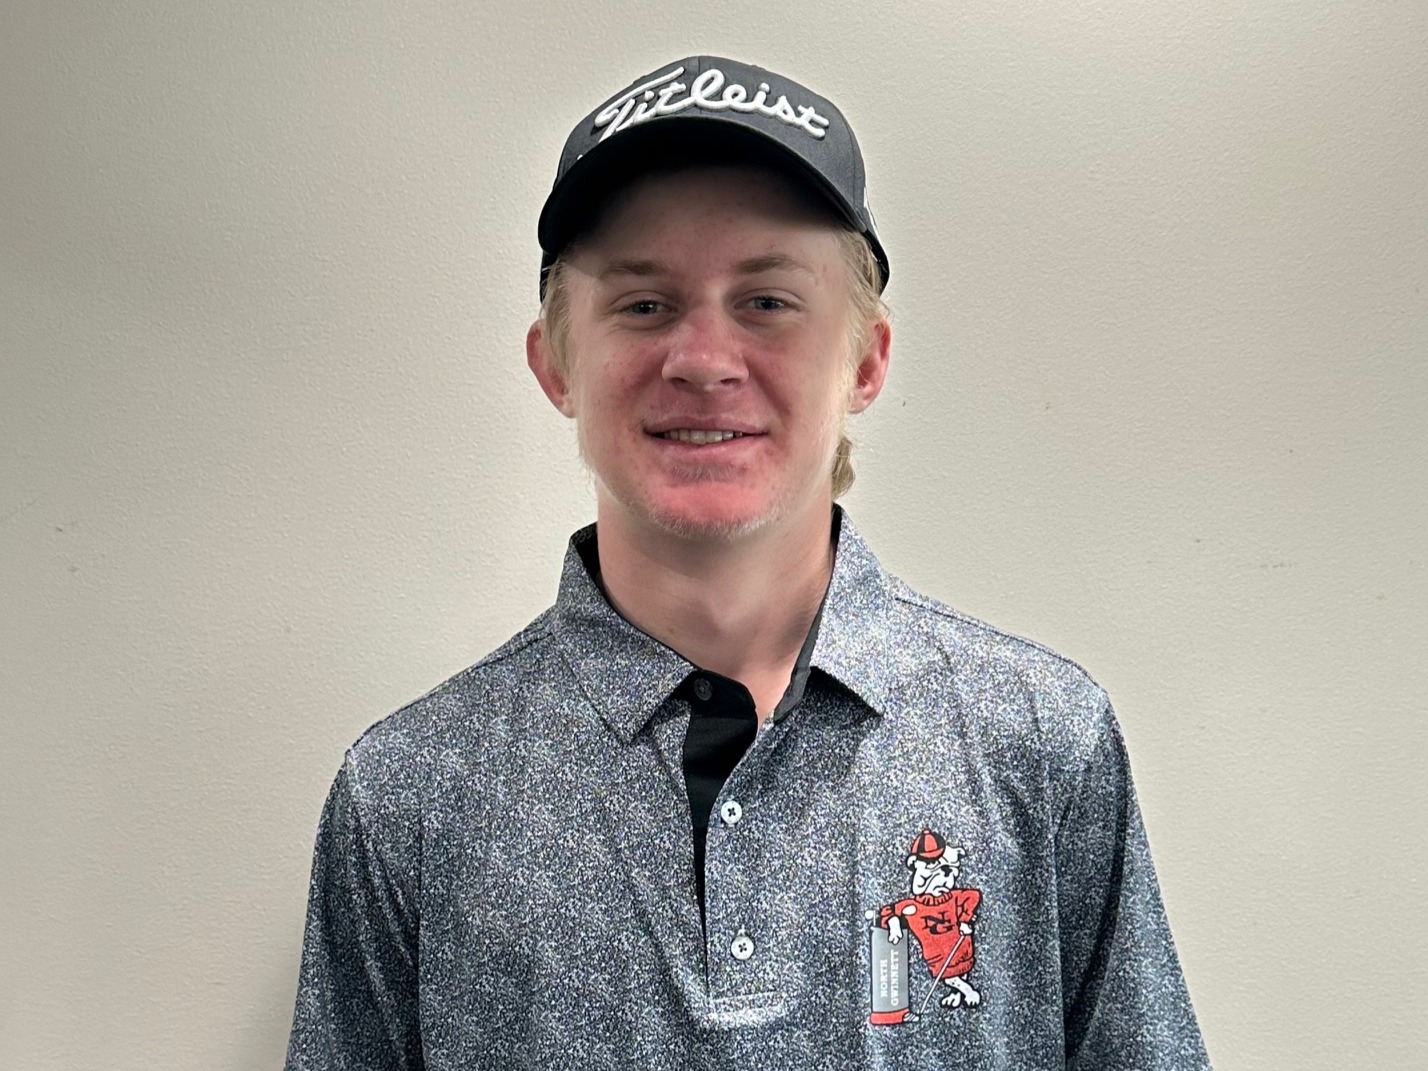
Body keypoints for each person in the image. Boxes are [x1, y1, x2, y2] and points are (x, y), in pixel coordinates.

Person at [285, 56, 1211, 1070]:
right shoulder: (412, 793)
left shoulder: (1039, 740)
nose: (703, 360)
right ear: (555, 363)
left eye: (766, 301)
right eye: (644, 304)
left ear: (866, 360)